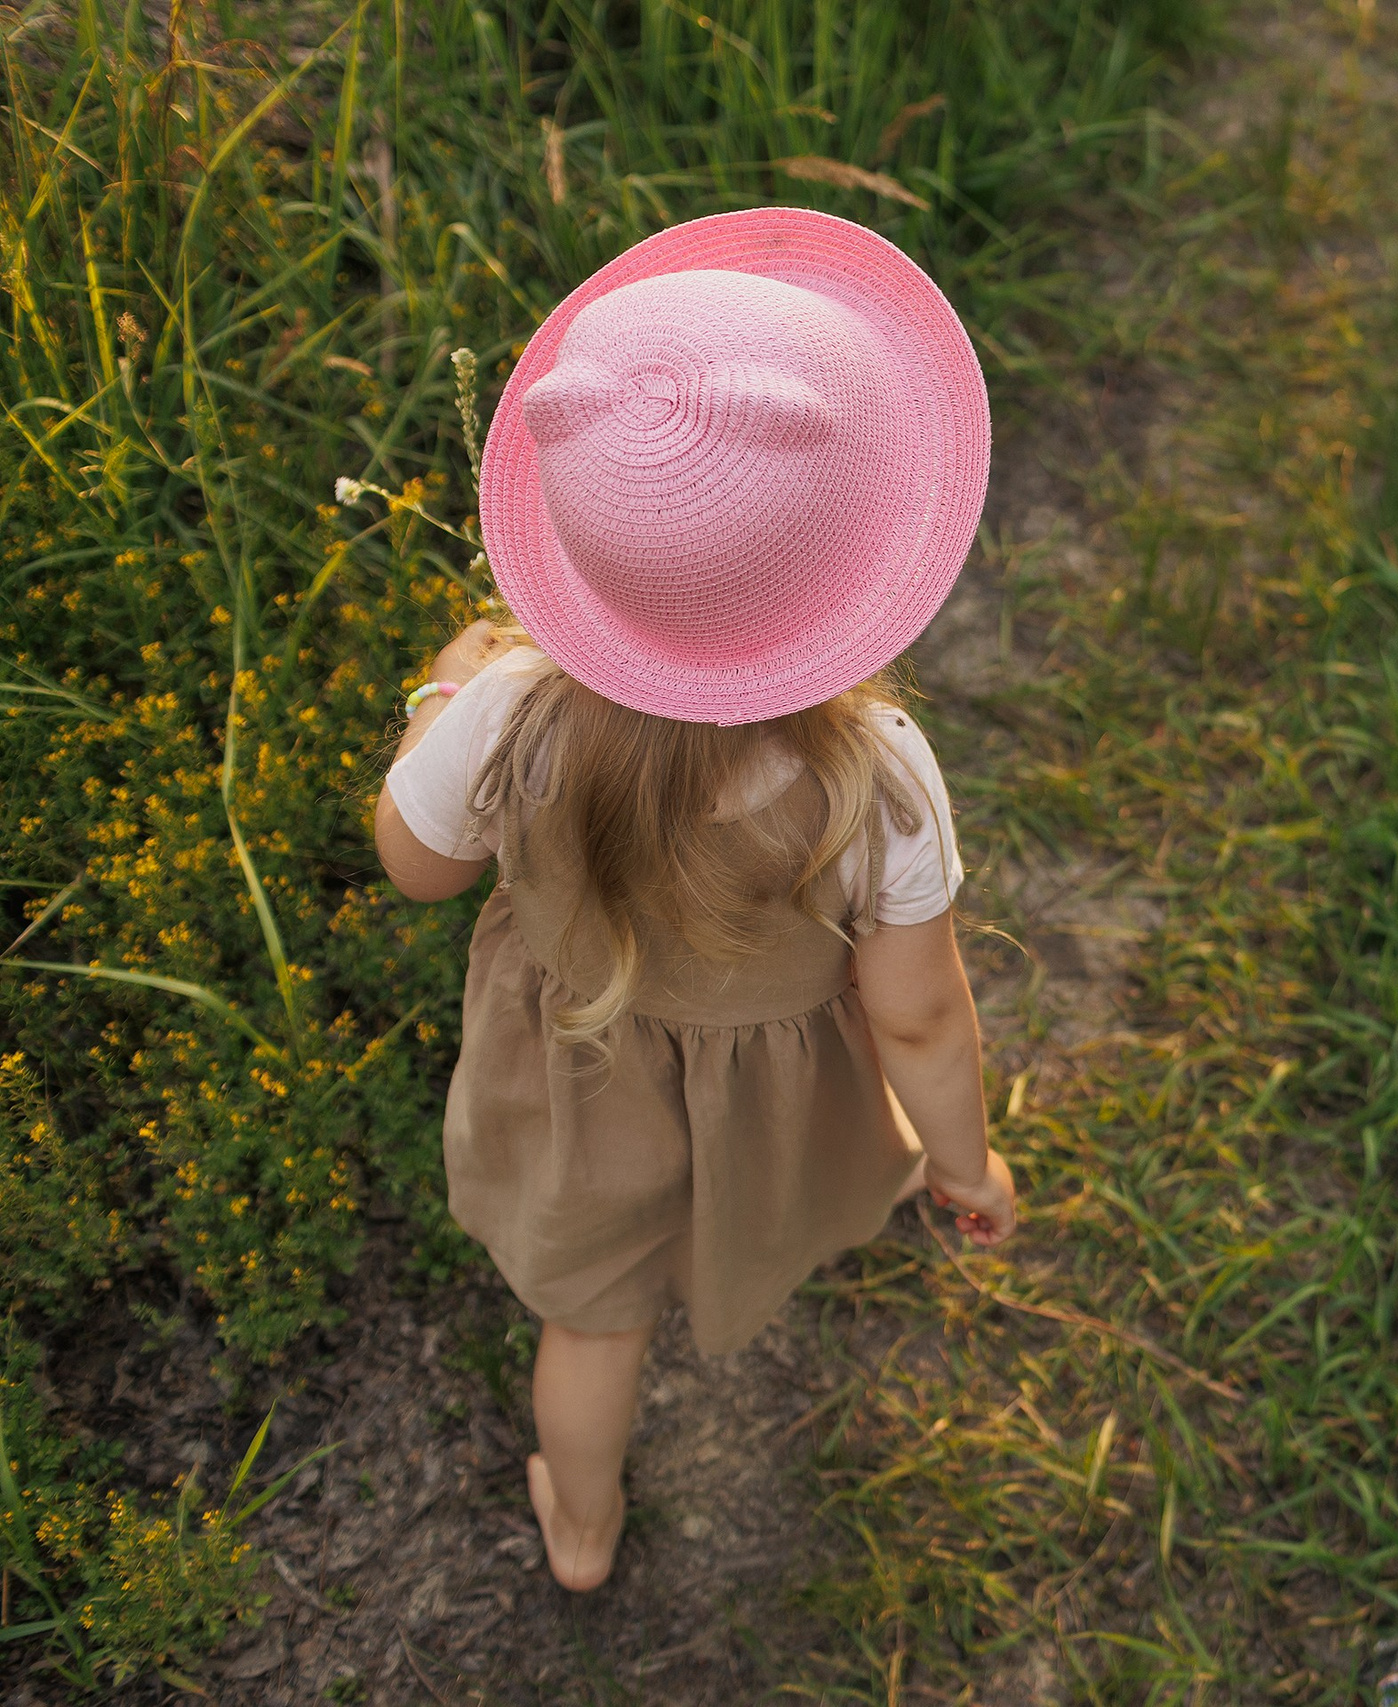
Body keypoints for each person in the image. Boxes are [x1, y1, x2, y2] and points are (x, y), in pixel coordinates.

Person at [371, 209, 1017, 1593]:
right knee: (717, 1231)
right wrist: (962, 1164)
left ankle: (585, 1533)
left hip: (574, 1076)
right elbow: (917, 1022)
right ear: (859, 565)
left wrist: (440, 690)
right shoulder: (879, 777)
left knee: (592, 1328)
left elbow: (414, 866)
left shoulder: (507, 711)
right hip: (768, 1108)